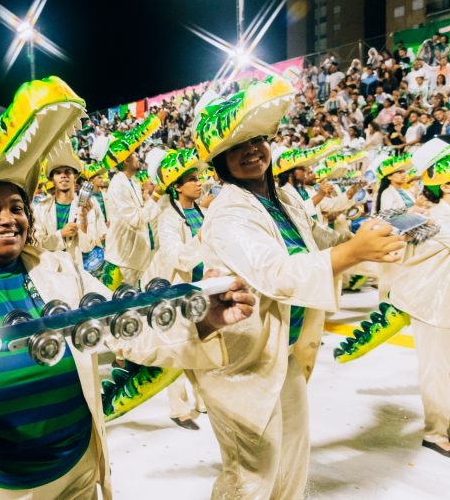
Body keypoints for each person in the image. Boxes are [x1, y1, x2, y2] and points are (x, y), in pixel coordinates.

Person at [0, 76, 256, 499]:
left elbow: (128, 324)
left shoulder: (61, 272)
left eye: (17, 207)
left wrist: (201, 320)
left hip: (76, 475)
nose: (10, 219)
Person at [191, 76, 406, 499]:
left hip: (286, 357)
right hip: (244, 365)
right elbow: (278, 273)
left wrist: (369, 234)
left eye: (258, 140)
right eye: (238, 146)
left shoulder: (285, 201)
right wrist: (353, 253)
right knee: (251, 476)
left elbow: (322, 243)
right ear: (220, 161)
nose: (253, 150)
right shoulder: (228, 214)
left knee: (291, 463)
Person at [390, 138, 450, 459]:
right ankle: (436, 432)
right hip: (433, 306)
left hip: (444, 304)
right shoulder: (434, 219)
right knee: (437, 370)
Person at [145, 147, 210, 430]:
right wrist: (201, 237)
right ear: (177, 186)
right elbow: (177, 257)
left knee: (201, 346)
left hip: (202, 289)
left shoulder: (199, 210)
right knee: (178, 350)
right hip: (176, 292)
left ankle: (203, 399)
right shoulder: (169, 218)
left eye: (198, 178)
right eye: (192, 179)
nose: (199, 183)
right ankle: (179, 408)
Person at [92, 116, 162, 287]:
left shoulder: (131, 182)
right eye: (133, 154)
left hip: (133, 259)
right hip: (123, 262)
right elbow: (137, 220)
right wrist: (155, 197)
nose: (137, 156)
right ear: (125, 160)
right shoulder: (118, 184)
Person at [33, 139, 100, 267]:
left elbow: (87, 248)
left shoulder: (87, 206)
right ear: (52, 179)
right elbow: (37, 245)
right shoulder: (40, 208)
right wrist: (61, 235)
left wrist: (84, 219)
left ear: (75, 177)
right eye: (58, 173)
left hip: (75, 270)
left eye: (68, 172)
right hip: (49, 271)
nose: (63, 176)